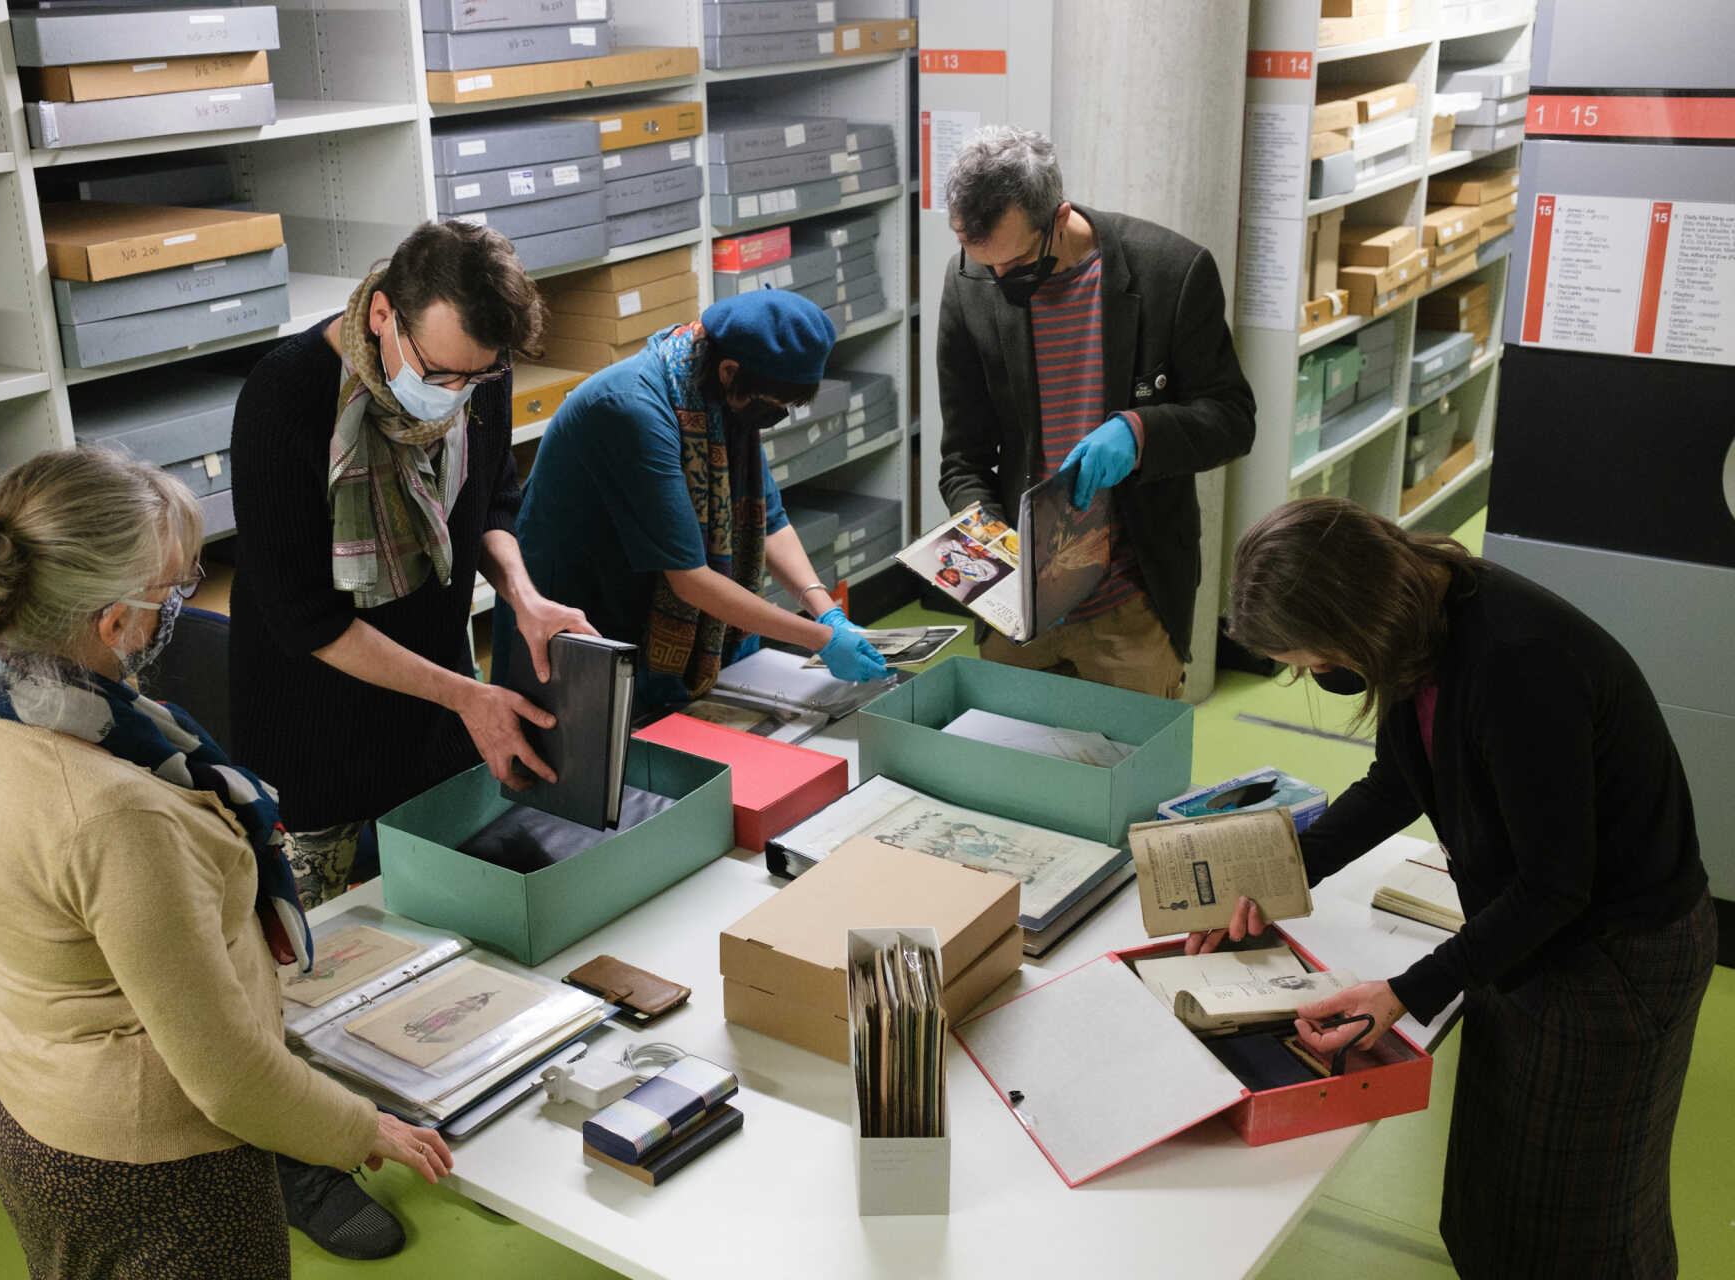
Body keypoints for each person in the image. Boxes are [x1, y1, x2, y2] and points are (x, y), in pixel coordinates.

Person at [0, 450, 453, 1280]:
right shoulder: (112, 813)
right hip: (151, 1168)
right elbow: (226, 1078)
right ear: (110, 620)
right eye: (171, 588)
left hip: (31, 1096)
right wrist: (356, 1126)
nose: (182, 601)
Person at [1200, 497, 1714, 1279]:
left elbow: (1556, 887)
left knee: (1580, 1224)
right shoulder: (1419, 621)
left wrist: (1406, 991)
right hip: (1527, 935)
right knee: (1494, 1199)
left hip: (1615, 961)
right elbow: (1394, 781)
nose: (1308, 672)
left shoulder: (1516, 662)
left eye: (1309, 656)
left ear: (1352, 616)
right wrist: (1284, 874)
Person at [225, 220, 590, 1257]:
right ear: (382, 313)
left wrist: (520, 594)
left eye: (476, 381)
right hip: (314, 721)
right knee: (304, 966)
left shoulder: (475, 368)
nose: (457, 395)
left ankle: (426, 1097)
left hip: (433, 708)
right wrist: (464, 696)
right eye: (439, 373)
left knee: (423, 935)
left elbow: (493, 501)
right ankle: (307, 1155)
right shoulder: (288, 397)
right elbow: (305, 617)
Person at [936, 126, 1255, 698]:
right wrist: (995, 549)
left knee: (1127, 774)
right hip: (1020, 604)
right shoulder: (969, 284)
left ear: (1058, 218)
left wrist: (1139, 433)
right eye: (984, 266)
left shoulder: (1171, 273)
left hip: (1133, 600)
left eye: (1017, 266)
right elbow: (963, 456)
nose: (999, 283)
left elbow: (1232, 418)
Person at [506, 289, 889, 710]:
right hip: (576, 612)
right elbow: (688, 578)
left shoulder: (718, 396)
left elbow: (771, 519)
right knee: (583, 760)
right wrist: (820, 639)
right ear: (730, 370)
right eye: (774, 406)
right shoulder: (632, 410)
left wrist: (825, 610)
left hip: (641, 596)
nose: (774, 418)